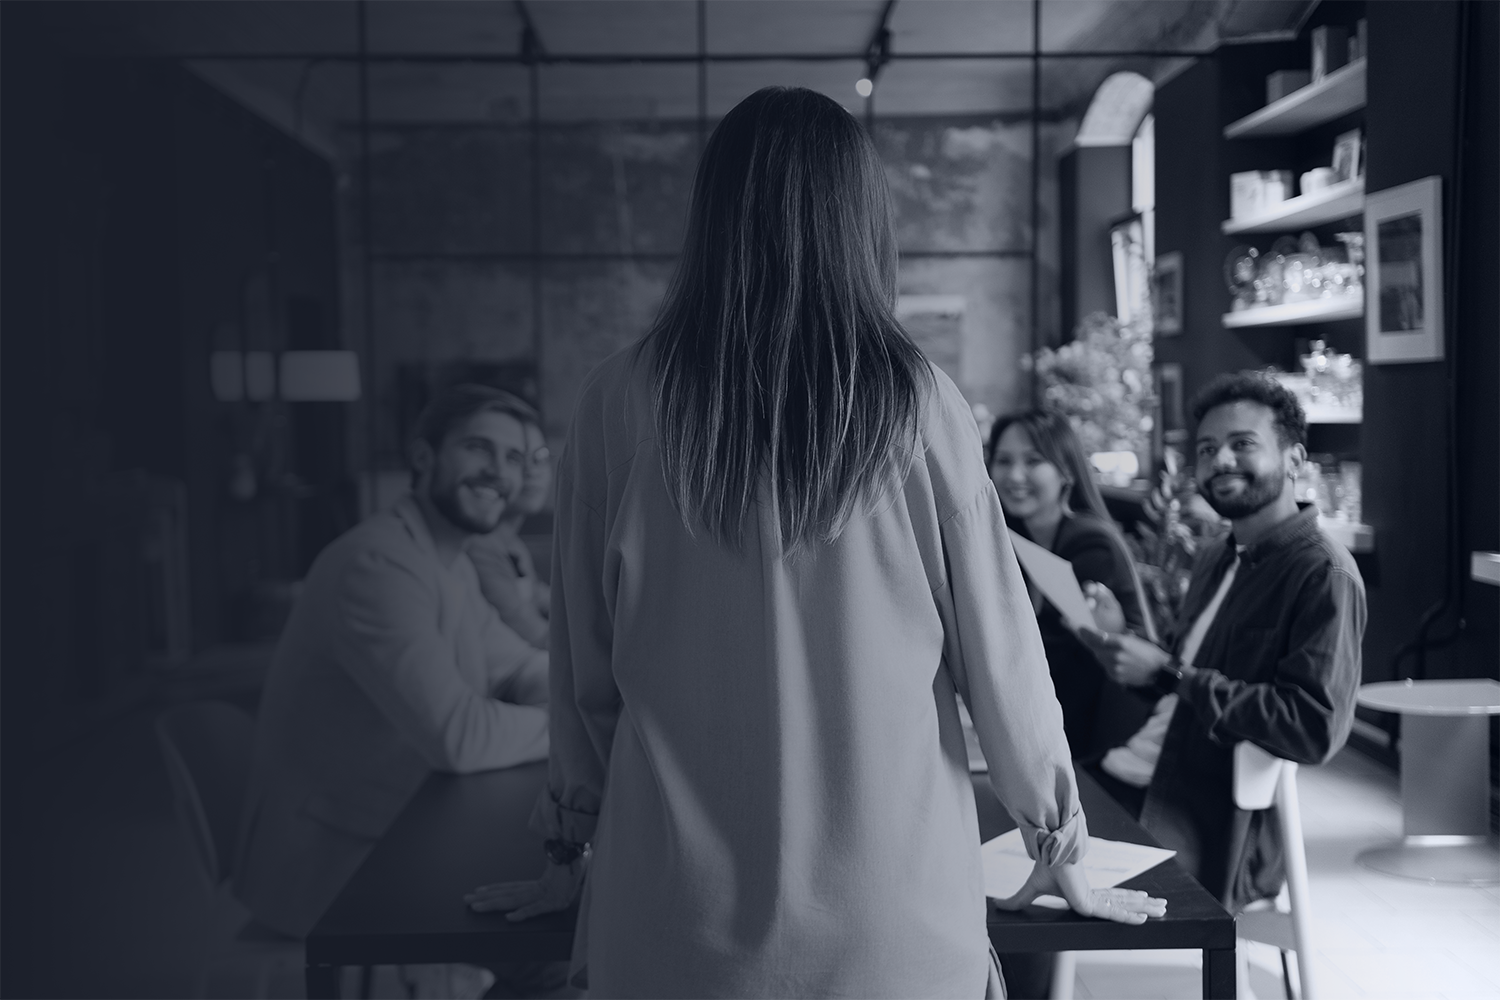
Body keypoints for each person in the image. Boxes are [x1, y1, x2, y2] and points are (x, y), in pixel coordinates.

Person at [465, 86, 1164, 1000]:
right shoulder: (922, 405)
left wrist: (567, 845)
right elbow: (1005, 661)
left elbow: (583, 671)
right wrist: (1058, 845)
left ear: (711, 217)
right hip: (894, 930)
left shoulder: (615, 403)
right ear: (862, 222)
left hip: (671, 928)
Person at [234, 385, 552, 990]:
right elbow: (459, 738)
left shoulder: (447, 559)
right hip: (338, 873)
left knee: (562, 926)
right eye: (478, 448)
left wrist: (572, 693)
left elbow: (520, 666)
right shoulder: (377, 565)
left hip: (394, 834)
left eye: (514, 458)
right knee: (567, 951)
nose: (499, 471)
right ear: (424, 457)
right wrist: (581, 721)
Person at [1078, 372, 1365, 912]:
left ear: (1295, 460)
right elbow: (1182, 685)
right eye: (1208, 449)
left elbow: (1312, 727)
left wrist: (1166, 673)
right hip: (1135, 773)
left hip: (1196, 818)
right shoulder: (1218, 555)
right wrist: (1128, 643)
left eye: (1242, 445)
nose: (1221, 461)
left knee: (1014, 846)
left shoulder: (1322, 574)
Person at [987, 408, 1157, 758]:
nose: (1015, 475)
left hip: (1110, 735)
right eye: (1003, 461)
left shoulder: (1090, 542)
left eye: (1033, 461)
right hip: (1061, 722)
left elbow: (1063, 655)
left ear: (1065, 471)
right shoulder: (1018, 538)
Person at [469, 396, 554, 649]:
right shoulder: (478, 547)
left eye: (541, 457)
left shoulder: (512, 544)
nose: (532, 472)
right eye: (518, 458)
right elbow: (530, 634)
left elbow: (546, 599)